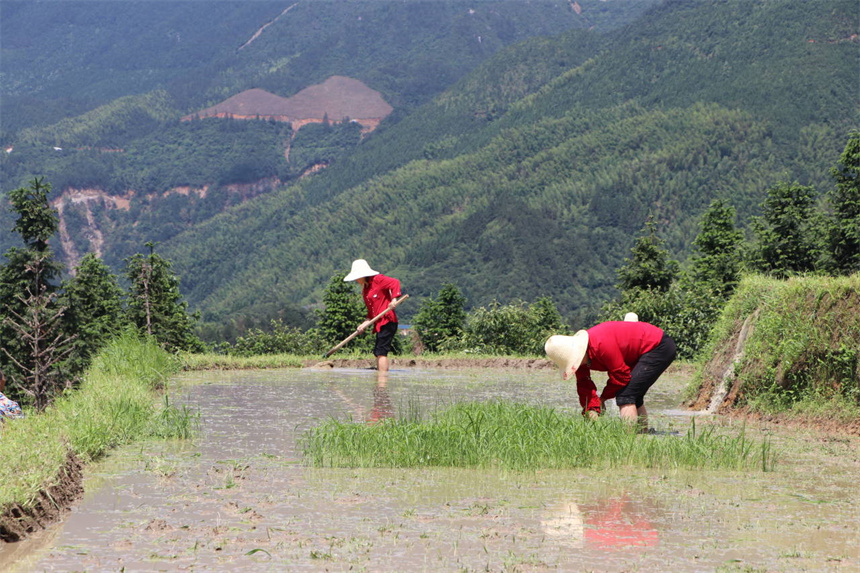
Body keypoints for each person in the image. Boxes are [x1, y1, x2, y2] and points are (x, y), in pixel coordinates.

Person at [544, 321, 676, 429]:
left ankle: (629, 440)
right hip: (643, 350)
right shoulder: (580, 361)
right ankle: (642, 434)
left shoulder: (600, 345)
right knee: (634, 393)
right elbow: (584, 385)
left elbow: (621, 375)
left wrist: (603, 398)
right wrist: (591, 409)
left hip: (658, 346)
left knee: (626, 395)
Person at [343, 259, 404, 372]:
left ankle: (382, 378)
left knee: (381, 351)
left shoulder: (378, 280)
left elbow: (395, 282)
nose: (356, 280)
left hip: (388, 321)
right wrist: (364, 324)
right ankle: (380, 375)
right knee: (377, 351)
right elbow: (371, 313)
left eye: (357, 277)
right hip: (379, 323)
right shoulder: (366, 290)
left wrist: (394, 299)